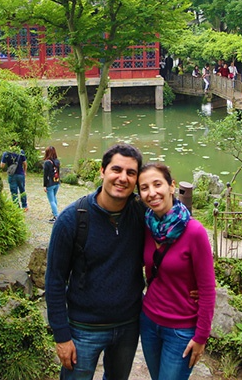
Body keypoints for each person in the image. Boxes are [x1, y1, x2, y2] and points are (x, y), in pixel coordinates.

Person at [45, 143, 146, 380]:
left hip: (128, 325)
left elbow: (177, 235)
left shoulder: (142, 214)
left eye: (131, 173)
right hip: (83, 328)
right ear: (102, 171)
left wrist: (189, 284)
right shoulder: (71, 219)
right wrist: (62, 336)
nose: (123, 178)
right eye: (116, 169)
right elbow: (55, 281)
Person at [137, 163, 216, 380]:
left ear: (171, 186)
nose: (152, 193)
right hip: (149, 321)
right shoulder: (147, 225)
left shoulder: (194, 232)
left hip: (181, 329)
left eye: (157, 184)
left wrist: (201, 337)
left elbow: (207, 289)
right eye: (144, 188)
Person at [0, 145, 28, 211]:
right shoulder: (21, 152)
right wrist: (24, 172)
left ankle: (16, 207)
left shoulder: (6, 153)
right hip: (20, 174)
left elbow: (2, 166)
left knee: (14, 192)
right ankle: (24, 206)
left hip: (12, 175)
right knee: (22, 190)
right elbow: (25, 164)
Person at [43, 146, 61, 222]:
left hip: (50, 184)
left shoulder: (47, 162)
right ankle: (55, 212)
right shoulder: (57, 161)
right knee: (54, 197)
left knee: (51, 201)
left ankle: (56, 216)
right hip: (57, 182)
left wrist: (44, 185)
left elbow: (45, 175)